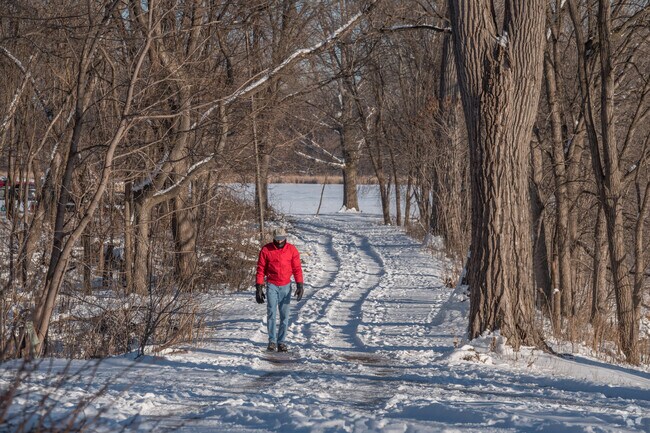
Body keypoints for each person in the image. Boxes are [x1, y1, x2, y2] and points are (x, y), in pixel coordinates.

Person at [255, 228, 304, 352]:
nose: (279, 240)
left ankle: (281, 342)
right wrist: (259, 287)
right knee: (271, 313)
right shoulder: (266, 249)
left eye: (282, 238)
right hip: (271, 285)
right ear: (274, 238)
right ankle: (272, 341)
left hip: (286, 286)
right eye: (277, 238)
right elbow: (261, 269)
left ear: (285, 237)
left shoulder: (291, 250)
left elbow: (297, 268)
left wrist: (300, 284)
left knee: (284, 316)